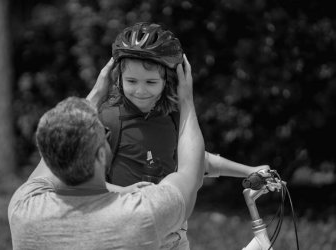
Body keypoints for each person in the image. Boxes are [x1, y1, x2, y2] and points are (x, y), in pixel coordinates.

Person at [97, 22, 269, 249]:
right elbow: (85, 181)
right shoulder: (109, 119)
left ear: (168, 81)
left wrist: (248, 170)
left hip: (174, 235)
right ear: (118, 78)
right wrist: (124, 192)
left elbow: (198, 161)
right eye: (131, 81)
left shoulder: (170, 118)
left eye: (150, 82)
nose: (140, 90)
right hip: (127, 233)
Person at [8, 56, 205, 249]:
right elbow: (190, 173)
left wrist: (95, 93)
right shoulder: (143, 214)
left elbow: (53, 154)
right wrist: (186, 101)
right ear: (102, 155)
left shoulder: (23, 207)